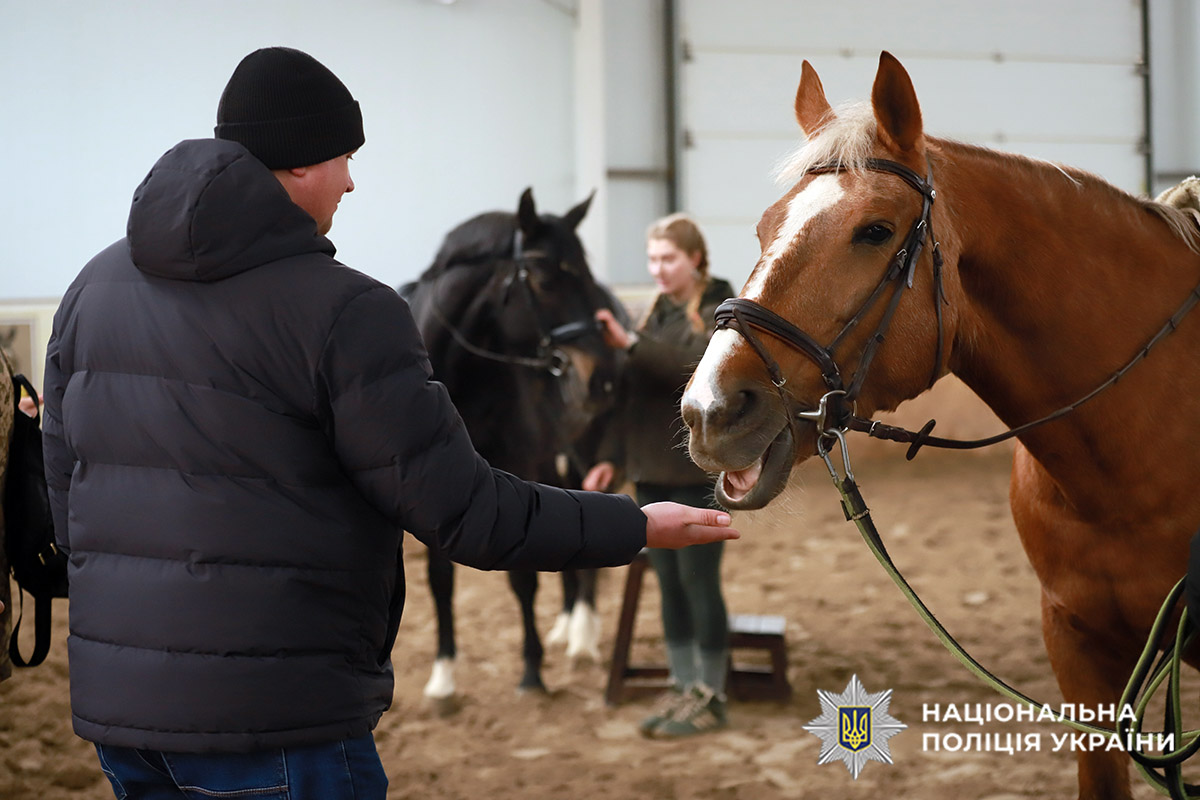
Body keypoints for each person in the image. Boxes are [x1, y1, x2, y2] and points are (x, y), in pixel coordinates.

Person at [41, 47, 738, 800]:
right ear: (302, 160)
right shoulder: (347, 310)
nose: (351, 180)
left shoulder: (91, 287)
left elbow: (67, 495)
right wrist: (634, 525)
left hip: (123, 721)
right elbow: (467, 513)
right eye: (344, 157)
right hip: (281, 719)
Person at [583, 213, 736, 739]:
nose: (658, 269)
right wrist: (612, 458)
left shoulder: (721, 310)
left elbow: (694, 369)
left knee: (699, 582)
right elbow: (631, 398)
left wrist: (631, 345)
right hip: (650, 473)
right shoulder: (654, 315)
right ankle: (684, 683)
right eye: (652, 260)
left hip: (697, 471)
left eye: (668, 258)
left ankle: (712, 695)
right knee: (669, 584)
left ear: (695, 258)